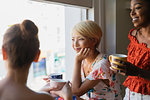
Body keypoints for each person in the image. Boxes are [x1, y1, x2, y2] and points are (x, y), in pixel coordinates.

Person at [0, 20, 72, 100]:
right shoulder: (43, 98)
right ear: (37, 56)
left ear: (4, 52)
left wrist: (40, 92)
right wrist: (68, 97)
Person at [71, 20, 122, 100]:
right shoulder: (83, 60)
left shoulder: (103, 64)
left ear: (94, 41)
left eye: (80, 39)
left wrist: (77, 61)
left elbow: (76, 91)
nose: (75, 44)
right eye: (73, 39)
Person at [110, 0, 150, 99]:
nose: (132, 13)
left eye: (137, 8)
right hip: (129, 94)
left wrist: (136, 71)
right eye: (131, 9)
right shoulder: (134, 35)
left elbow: (137, 70)